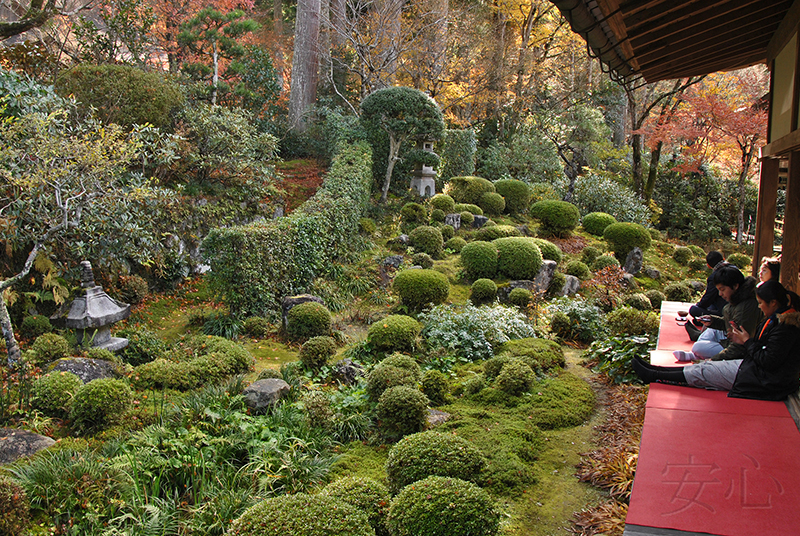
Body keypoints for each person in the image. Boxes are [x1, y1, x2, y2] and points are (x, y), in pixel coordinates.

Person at [634, 280, 800, 401]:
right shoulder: (777, 319)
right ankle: (655, 370)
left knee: (704, 372)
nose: (759, 307)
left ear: (773, 302)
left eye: (761, 303)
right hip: (754, 368)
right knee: (707, 366)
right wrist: (743, 340)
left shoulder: (786, 326)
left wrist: (747, 341)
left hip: (764, 379)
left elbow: (768, 361)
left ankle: (653, 375)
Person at [674, 265, 762, 361]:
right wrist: (712, 321)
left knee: (697, 347)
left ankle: (694, 355)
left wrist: (714, 360)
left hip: (738, 350)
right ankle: (696, 352)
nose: (720, 294)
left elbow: (738, 346)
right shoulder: (737, 299)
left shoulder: (745, 307)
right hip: (729, 338)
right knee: (711, 329)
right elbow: (728, 323)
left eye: (722, 290)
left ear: (735, 286)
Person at [685, 251, 728, 341]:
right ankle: (701, 328)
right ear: (723, 259)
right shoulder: (734, 269)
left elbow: (707, 299)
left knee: (694, 310)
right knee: (708, 308)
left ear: (708, 265)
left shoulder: (715, 277)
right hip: (723, 308)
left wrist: (698, 306)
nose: (720, 293)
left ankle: (700, 333)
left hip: (724, 312)